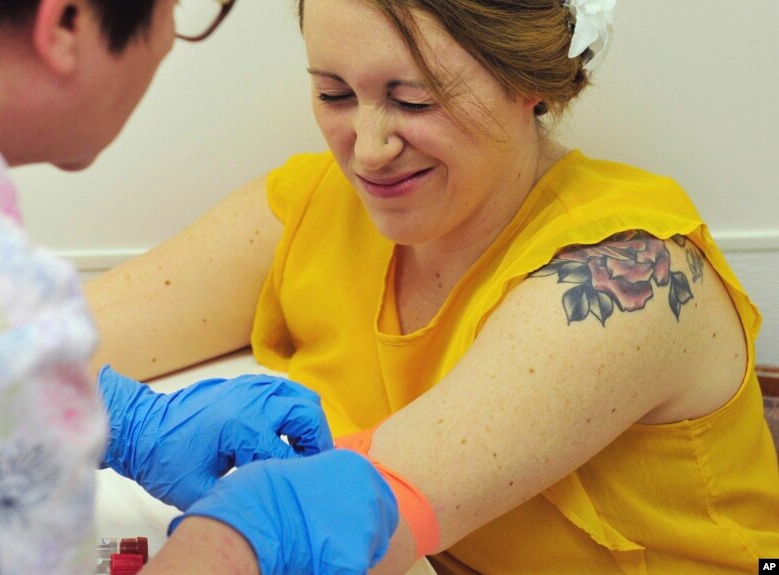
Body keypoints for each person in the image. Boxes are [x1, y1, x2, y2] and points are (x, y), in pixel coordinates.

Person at [86, 0, 779, 572]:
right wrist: (109, 415)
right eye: (333, 93)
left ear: (527, 79)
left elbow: (332, 518)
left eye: (412, 100)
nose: (366, 146)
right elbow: (45, 339)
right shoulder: (317, 207)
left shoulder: (627, 277)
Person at [0, 0, 400, 574]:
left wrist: (112, 416)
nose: (172, 38)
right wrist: (234, 547)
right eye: (172, 9)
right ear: (65, 20)